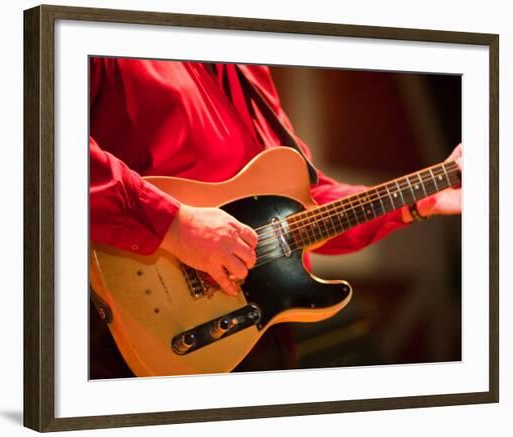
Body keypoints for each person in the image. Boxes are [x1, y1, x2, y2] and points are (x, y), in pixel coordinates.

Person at [89, 57, 462, 378]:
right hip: (121, 323)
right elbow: (45, 143)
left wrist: (419, 199)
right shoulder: (110, 40)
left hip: (247, 343)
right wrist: (174, 224)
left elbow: (305, 204)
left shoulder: (249, 68)